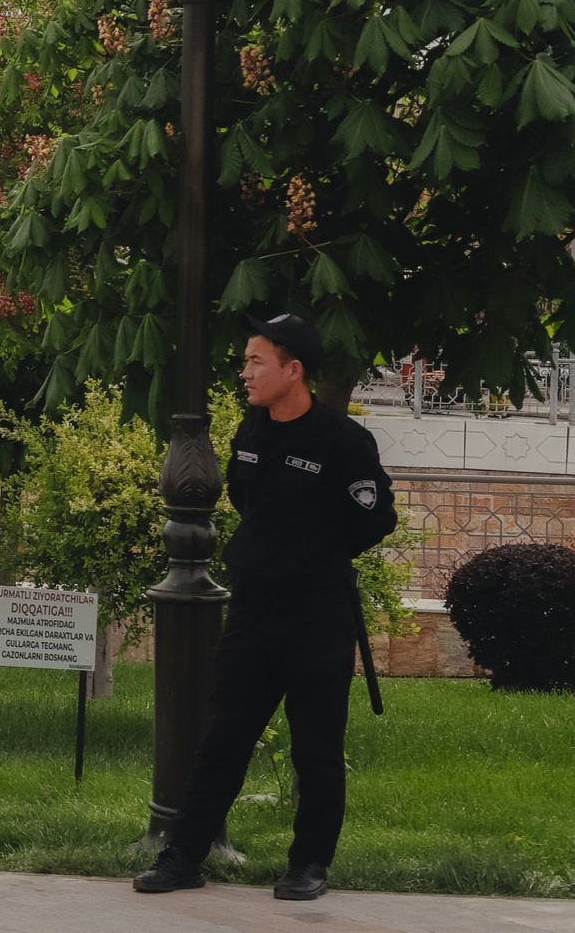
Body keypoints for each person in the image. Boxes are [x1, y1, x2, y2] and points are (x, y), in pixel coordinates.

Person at [134, 313, 396, 902]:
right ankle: (183, 858)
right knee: (224, 735)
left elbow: (375, 518)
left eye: (257, 362)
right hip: (254, 612)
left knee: (316, 745)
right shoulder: (250, 435)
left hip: (317, 614)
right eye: (245, 361)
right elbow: (251, 505)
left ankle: (308, 865)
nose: (245, 372)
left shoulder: (343, 443)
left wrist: (311, 556)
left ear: (293, 370)